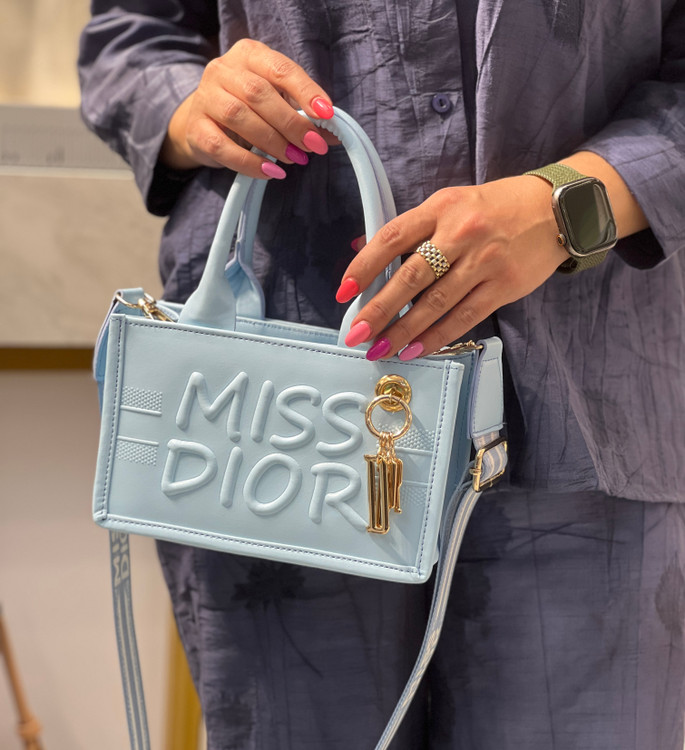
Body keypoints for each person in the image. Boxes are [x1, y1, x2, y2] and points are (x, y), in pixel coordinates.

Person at [79, 2, 685, 748]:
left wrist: (570, 204)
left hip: (589, 406)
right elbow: (131, 38)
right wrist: (195, 105)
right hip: (271, 417)